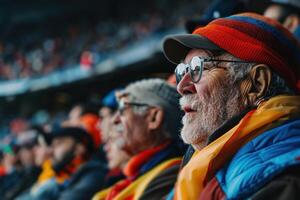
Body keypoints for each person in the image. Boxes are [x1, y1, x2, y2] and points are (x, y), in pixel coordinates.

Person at [163, 12, 300, 199]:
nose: (181, 86)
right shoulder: (206, 164)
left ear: (256, 84)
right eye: (182, 70)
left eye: (198, 67)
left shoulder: (283, 182)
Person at [95, 78, 185, 200]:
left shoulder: (172, 174)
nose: (114, 120)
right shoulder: (138, 176)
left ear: (153, 118)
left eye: (122, 108)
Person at [18, 126, 107, 200]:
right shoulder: (66, 178)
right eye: (52, 145)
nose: (51, 151)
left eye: (58, 144)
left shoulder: (94, 174)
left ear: (79, 149)